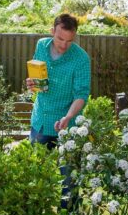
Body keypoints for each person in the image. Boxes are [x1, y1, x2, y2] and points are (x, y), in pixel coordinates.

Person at [26, 13, 91, 148]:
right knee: (36, 166)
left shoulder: (81, 58)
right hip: (40, 122)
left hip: (66, 125)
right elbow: (38, 79)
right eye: (60, 39)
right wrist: (32, 84)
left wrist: (68, 117)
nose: (63, 45)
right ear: (52, 31)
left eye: (69, 41)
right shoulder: (41, 46)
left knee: (66, 169)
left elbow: (81, 95)